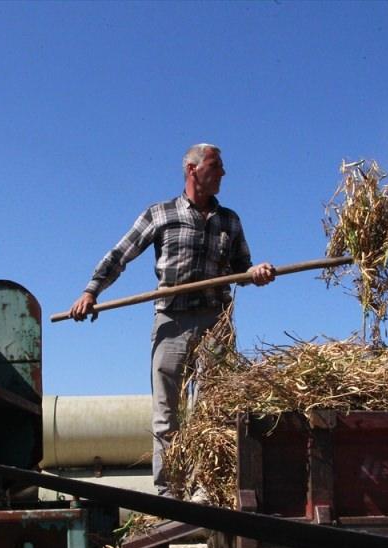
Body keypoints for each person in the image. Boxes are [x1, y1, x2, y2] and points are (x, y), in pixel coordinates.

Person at [69, 143, 275, 498]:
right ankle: (170, 495)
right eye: (216, 166)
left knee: (214, 406)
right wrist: (91, 292)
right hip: (171, 320)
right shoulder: (160, 213)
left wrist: (255, 273)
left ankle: (206, 490)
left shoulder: (230, 220)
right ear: (193, 170)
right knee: (168, 413)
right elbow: (121, 254)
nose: (223, 173)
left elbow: (241, 270)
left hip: (216, 322)